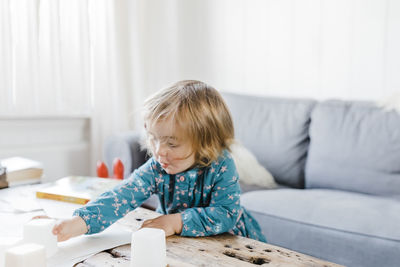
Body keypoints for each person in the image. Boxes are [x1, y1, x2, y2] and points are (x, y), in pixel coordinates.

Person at [43, 80, 266, 242]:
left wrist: (176, 222)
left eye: (172, 143)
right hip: (182, 242)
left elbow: (226, 213)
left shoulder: (222, 165)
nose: (159, 152)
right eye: (154, 138)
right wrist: (80, 223)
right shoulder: (159, 167)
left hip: (229, 241)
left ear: (206, 143)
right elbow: (122, 195)